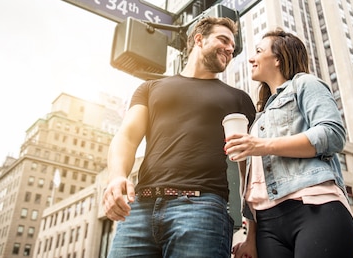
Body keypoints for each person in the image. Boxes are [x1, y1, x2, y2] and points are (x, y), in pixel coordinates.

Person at [102, 16, 257, 258]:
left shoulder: (238, 99)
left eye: (232, 46)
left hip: (202, 210)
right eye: (223, 40)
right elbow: (128, 136)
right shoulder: (150, 88)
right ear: (199, 39)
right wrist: (116, 177)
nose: (230, 48)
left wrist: (252, 234)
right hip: (139, 210)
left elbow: (250, 171)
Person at [227, 28, 353, 258]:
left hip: (313, 206)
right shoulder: (261, 115)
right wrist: (251, 237)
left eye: (258, 51)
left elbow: (332, 134)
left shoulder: (305, 84)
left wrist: (261, 145)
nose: (251, 58)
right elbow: (255, 184)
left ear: (277, 59)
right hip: (266, 226)